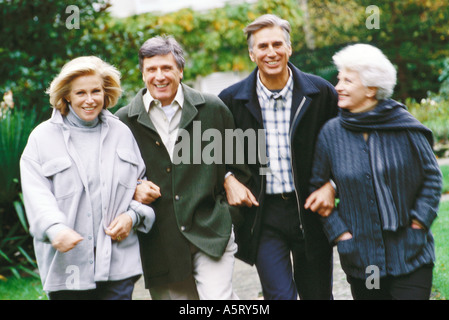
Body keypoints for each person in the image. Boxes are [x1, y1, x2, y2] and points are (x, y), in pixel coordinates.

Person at [115, 35, 252, 300]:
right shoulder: (123, 122)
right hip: (160, 242)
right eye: (151, 69)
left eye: (166, 68)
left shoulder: (212, 108)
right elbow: (112, 178)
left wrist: (228, 214)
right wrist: (132, 189)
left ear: (180, 70)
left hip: (211, 230)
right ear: (142, 74)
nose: (159, 76)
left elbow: (239, 167)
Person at [307, 43, 443, 300]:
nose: (338, 87)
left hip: (411, 253)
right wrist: (342, 236)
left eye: (347, 80)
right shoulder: (331, 133)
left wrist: (418, 224)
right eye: (339, 78)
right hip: (362, 258)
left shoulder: (405, 127)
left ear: (371, 89)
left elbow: (432, 179)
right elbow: (317, 189)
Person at [218, 14, 338, 300]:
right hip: (263, 214)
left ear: (289, 48)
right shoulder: (231, 100)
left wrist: (331, 185)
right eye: (262, 46)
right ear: (251, 53)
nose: (270, 52)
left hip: (311, 211)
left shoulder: (320, 93)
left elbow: (345, 149)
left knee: (318, 295)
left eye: (277, 44)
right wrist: (228, 179)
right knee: (279, 296)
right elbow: (212, 152)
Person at [20, 56, 155, 300]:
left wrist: (131, 216)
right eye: (81, 93)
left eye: (96, 91)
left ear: (106, 93)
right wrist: (55, 227)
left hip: (118, 263)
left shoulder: (121, 133)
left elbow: (140, 186)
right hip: (68, 267)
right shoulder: (42, 139)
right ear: (66, 96)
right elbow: (36, 194)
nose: (90, 100)